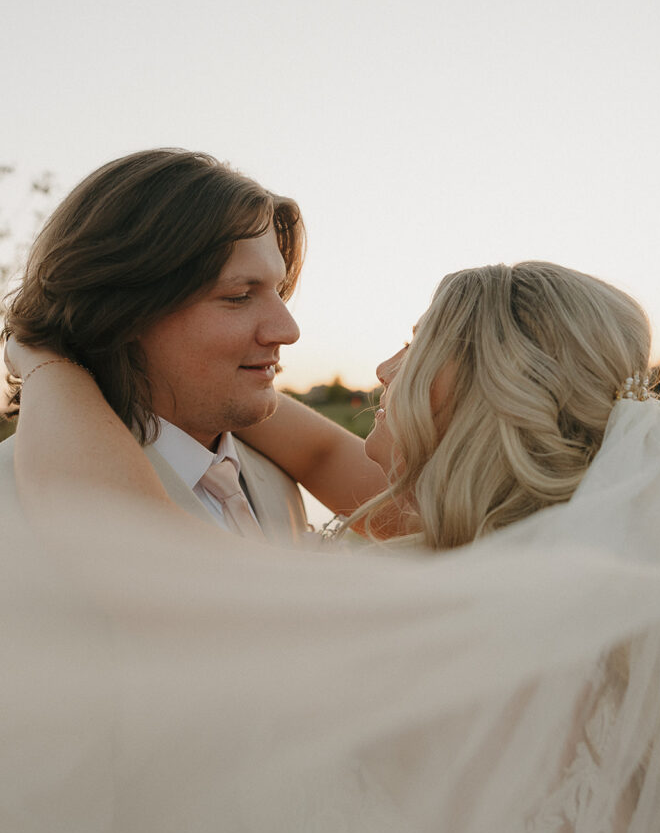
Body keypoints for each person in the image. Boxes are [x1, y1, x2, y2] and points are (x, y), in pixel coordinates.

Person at [3, 265, 660, 833]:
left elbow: (127, 545)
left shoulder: (453, 634)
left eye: (418, 346)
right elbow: (325, 456)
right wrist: (156, 362)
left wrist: (45, 362)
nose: (386, 368)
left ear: (482, 391)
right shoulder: (518, 562)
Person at [0, 147, 387, 545]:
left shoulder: (277, 472)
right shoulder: (15, 507)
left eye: (278, 292)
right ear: (124, 311)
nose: (288, 330)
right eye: (239, 296)